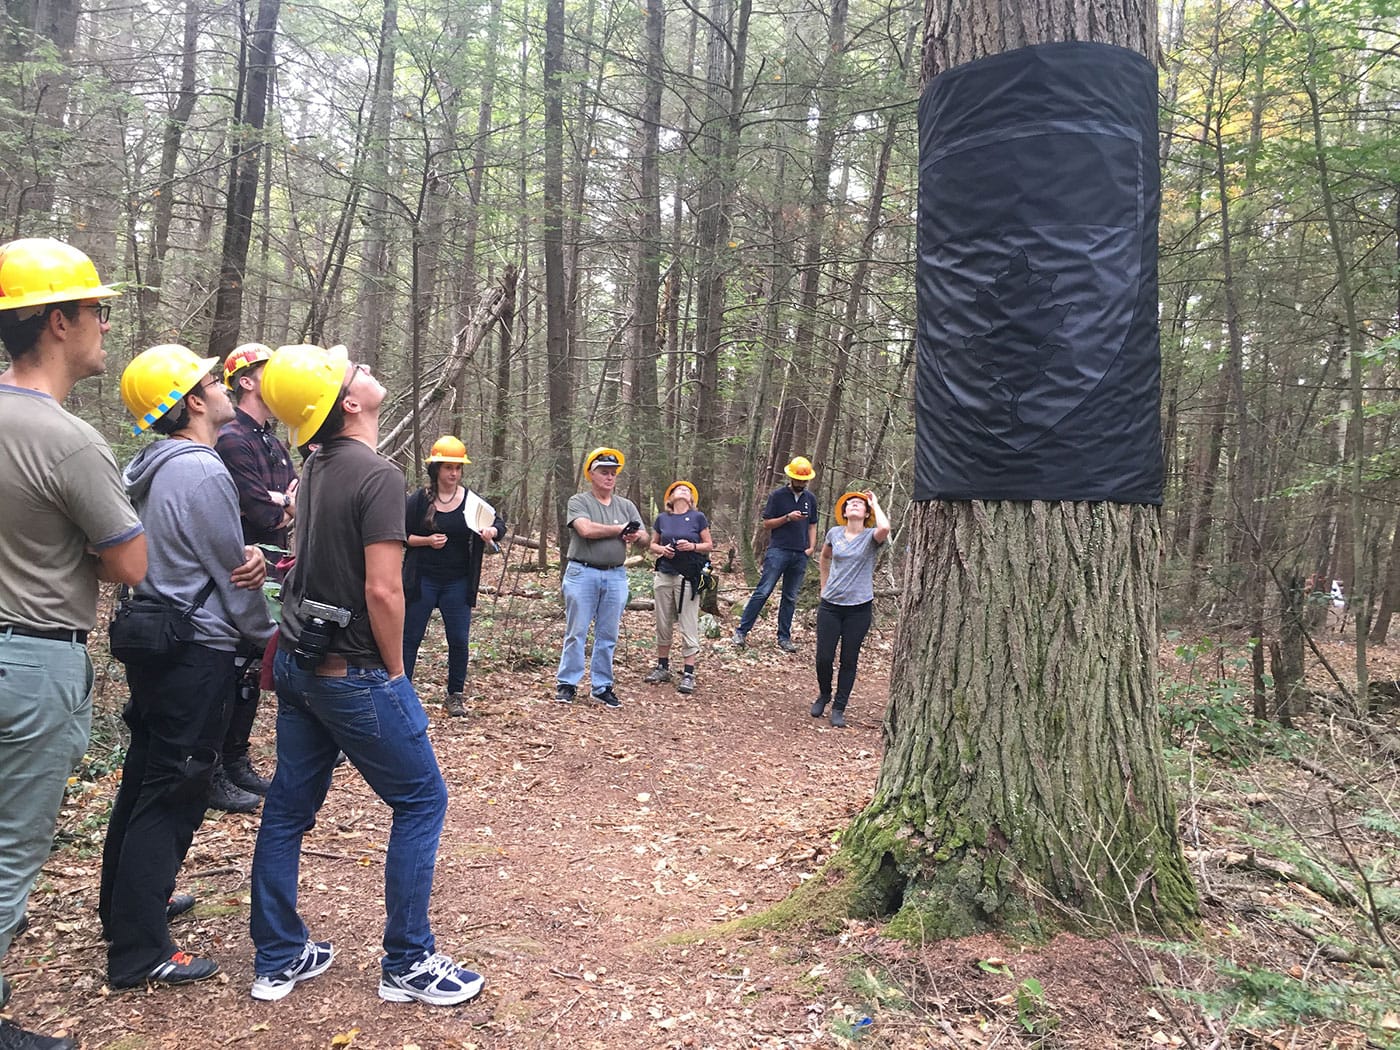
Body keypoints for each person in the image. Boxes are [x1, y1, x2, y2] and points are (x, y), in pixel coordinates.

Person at [250, 344, 483, 1006]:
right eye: (352, 372)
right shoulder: (377, 474)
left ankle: (277, 956)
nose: (366, 368)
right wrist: (395, 678)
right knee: (422, 800)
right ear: (349, 403)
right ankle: (408, 961)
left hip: (298, 663)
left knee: (288, 807)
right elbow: (385, 592)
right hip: (348, 671)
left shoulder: (317, 463)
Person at [0, 238, 146, 1050]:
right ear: (57, 322)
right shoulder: (68, 440)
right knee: (11, 848)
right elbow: (129, 560)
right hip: (31, 658)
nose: (104, 323)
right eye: (96, 309)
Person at [100, 344, 276, 990]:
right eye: (211, 377)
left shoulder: (145, 468)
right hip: (195, 651)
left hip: (154, 644)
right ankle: (140, 949)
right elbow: (234, 580)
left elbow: (192, 552)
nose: (223, 382)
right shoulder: (202, 472)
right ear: (194, 401)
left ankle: (123, 911)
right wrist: (268, 637)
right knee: (175, 792)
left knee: (144, 776)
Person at [210, 342, 299, 812]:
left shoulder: (273, 440)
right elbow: (261, 510)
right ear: (246, 380)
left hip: (273, 568)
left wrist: (283, 503)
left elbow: (289, 499)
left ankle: (237, 759)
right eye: (270, 371)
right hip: (239, 570)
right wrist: (282, 503)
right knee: (230, 667)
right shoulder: (231, 437)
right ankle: (215, 770)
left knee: (251, 665)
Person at [403, 436, 506, 718]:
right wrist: (426, 541)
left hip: (458, 581)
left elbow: (498, 523)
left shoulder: (471, 501)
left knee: (459, 639)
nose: (453, 473)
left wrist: (492, 533)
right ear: (436, 469)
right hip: (422, 579)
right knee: (411, 637)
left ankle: (455, 695)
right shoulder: (419, 500)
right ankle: (402, 694)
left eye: (458, 468)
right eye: (448, 467)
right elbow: (401, 536)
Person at [554, 447, 649, 708]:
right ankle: (567, 683)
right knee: (577, 631)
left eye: (613, 473)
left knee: (608, 634)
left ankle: (602, 686)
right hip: (582, 572)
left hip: (615, 575)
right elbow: (585, 529)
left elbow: (644, 538)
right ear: (591, 474)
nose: (609, 477)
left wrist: (635, 536)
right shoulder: (579, 501)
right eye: (604, 472)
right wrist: (619, 529)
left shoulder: (626, 505)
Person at [810, 490, 890, 729]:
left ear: (866, 513)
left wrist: (874, 503)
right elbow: (824, 558)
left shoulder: (870, 537)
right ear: (844, 513)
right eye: (850, 504)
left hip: (859, 608)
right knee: (824, 656)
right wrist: (824, 586)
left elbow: (885, 529)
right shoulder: (834, 533)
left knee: (849, 659)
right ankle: (824, 694)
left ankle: (839, 707)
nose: (854, 505)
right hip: (830, 606)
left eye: (859, 504)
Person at [731, 456, 818, 653]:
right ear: (791, 478)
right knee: (763, 591)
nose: (802, 484)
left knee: (790, 596)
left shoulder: (810, 499)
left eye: (805, 481)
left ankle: (784, 637)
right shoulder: (777, 496)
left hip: (800, 553)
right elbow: (767, 523)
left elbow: (813, 524)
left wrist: (811, 547)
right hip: (778, 550)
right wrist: (787, 518)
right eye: (799, 480)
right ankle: (742, 631)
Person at [643, 481, 713, 696]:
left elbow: (709, 545)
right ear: (670, 497)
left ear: (692, 499)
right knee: (663, 621)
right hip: (664, 573)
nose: (683, 491)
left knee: (688, 621)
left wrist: (691, 546)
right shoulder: (662, 519)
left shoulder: (698, 518)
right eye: (678, 489)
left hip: (688, 576)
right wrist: (663, 549)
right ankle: (662, 666)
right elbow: (652, 544)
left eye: (687, 490)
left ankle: (688, 672)